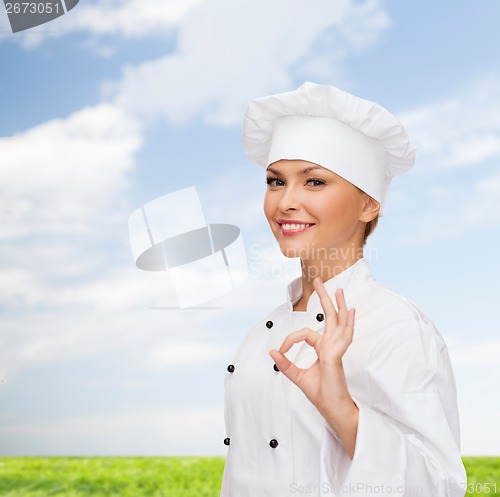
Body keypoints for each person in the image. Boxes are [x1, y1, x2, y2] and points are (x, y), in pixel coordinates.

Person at [220, 82, 466, 497]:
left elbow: (439, 486)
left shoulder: (395, 325)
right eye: (276, 182)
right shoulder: (262, 332)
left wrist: (342, 413)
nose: (285, 203)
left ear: (369, 204)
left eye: (314, 182)